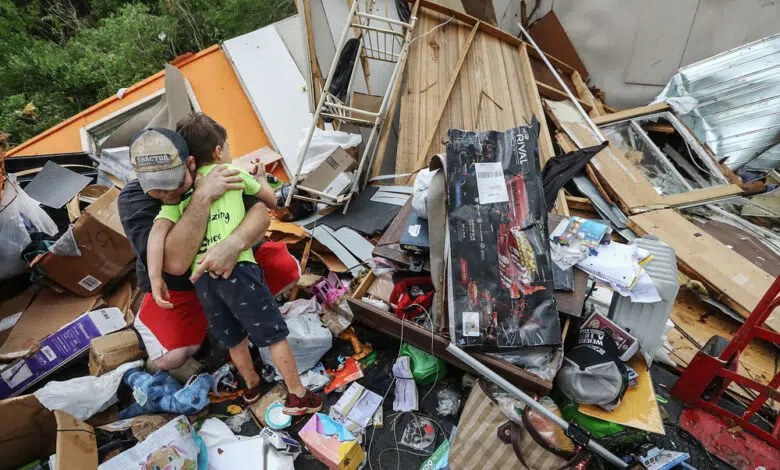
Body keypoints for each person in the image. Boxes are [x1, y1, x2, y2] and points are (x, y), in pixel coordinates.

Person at [139, 114, 321, 415]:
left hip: (204, 279)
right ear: (219, 151)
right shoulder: (232, 173)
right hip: (239, 270)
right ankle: (298, 395)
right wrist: (261, 178)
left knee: (234, 339)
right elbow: (271, 201)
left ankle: (251, 388)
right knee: (273, 334)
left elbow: (157, 234)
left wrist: (156, 277)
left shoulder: (181, 193)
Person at [117, 130, 299, 382]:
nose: (168, 194)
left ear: (191, 163)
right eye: (157, 190)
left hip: (228, 266)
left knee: (286, 267)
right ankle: (207, 326)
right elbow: (176, 264)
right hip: (179, 287)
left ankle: (232, 317)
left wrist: (233, 244)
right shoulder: (132, 200)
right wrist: (202, 196)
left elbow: (259, 213)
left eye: (175, 183)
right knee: (170, 358)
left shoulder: (215, 172)